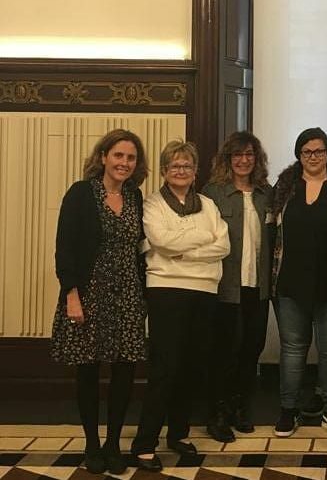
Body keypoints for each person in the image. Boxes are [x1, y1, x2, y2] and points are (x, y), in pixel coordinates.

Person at [51, 129, 149, 475]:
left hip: (128, 295)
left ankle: (113, 445)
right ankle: (92, 443)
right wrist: (72, 296)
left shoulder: (136, 197)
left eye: (131, 157)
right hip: (90, 294)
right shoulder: (81, 193)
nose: (124, 163)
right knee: (89, 371)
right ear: (104, 156)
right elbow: (65, 248)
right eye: (118, 155)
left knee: (124, 372)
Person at [131, 141, 229, 472]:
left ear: (195, 170)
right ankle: (144, 443)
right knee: (165, 368)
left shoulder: (209, 204)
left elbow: (224, 244)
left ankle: (178, 434)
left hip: (204, 291)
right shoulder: (152, 205)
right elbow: (161, 241)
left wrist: (182, 253)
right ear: (163, 171)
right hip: (165, 291)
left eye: (187, 165)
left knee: (190, 366)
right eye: (175, 166)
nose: (181, 171)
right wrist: (201, 244)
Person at [271, 127, 327, 438]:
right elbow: (272, 232)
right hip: (290, 283)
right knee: (293, 349)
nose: (313, 157)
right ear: (298, 155)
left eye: (319, 151)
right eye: (307, 152)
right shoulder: (285, 185)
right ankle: (288, 410)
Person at [202, 131, 274, 442]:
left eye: (249, 155)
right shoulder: (213, 193)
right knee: (224, 351)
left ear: (257, 160)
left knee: (251, 349)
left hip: (257, 286)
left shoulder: (266, 194)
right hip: (224, 287)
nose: (244, 161)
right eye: (237, 155)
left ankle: (240, 407)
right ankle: (217, 413)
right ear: (228, 159)